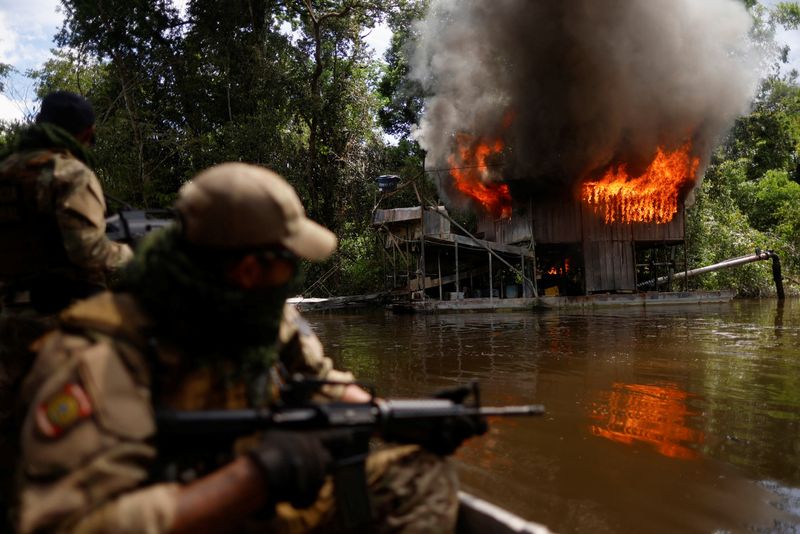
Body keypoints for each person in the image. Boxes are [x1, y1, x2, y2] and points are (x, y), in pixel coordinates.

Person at [15, 163, 459, 533]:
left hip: (259, 510)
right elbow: (66, 524)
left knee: (417, 474)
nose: (292, 273)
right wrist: (259, 474)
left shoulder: (261, 317)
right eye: (287, 260)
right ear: (249, 269)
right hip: (186, 517)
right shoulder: (99, 355)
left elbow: (320, 382)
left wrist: (396, 419)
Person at [0, 91, 133, 531]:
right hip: (61, 327)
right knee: (71, 443)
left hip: (6, 321)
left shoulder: (4, 170)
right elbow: (87, 251)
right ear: (87, 134)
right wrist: (135, 258)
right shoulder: (70, 173)